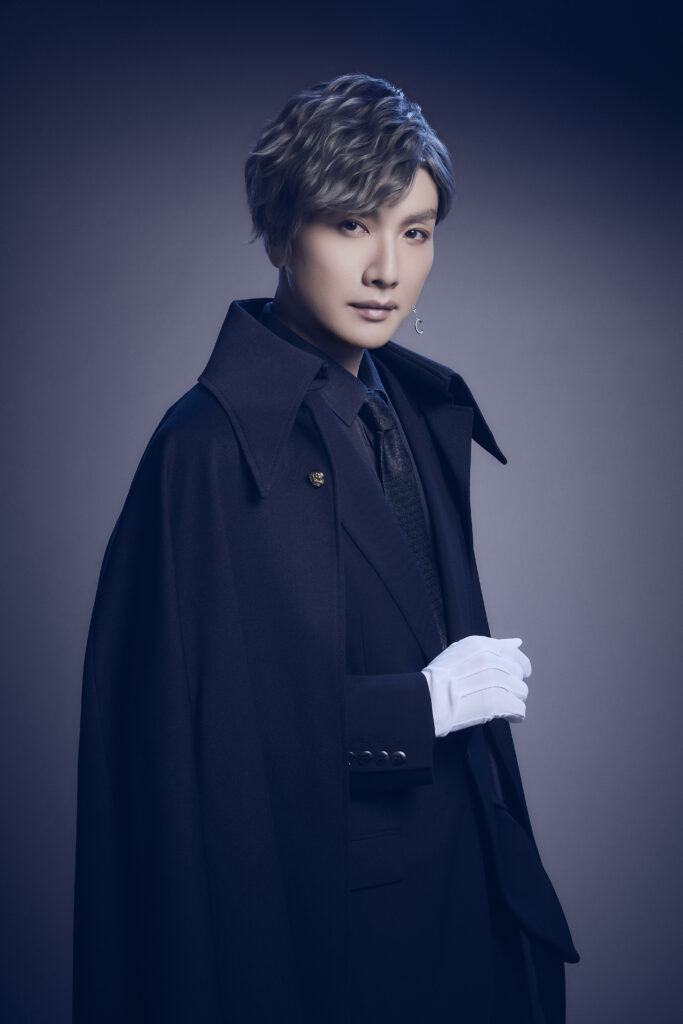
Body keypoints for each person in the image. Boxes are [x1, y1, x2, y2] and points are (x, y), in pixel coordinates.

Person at [73, 73, 578, 1024]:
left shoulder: (416, 405)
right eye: (351, 225)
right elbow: (196, 743)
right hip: (330, 943)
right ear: (278, 234)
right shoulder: (204, 449)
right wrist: (421, 706)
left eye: (414, 231)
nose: (386, 268)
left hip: (466, 906)